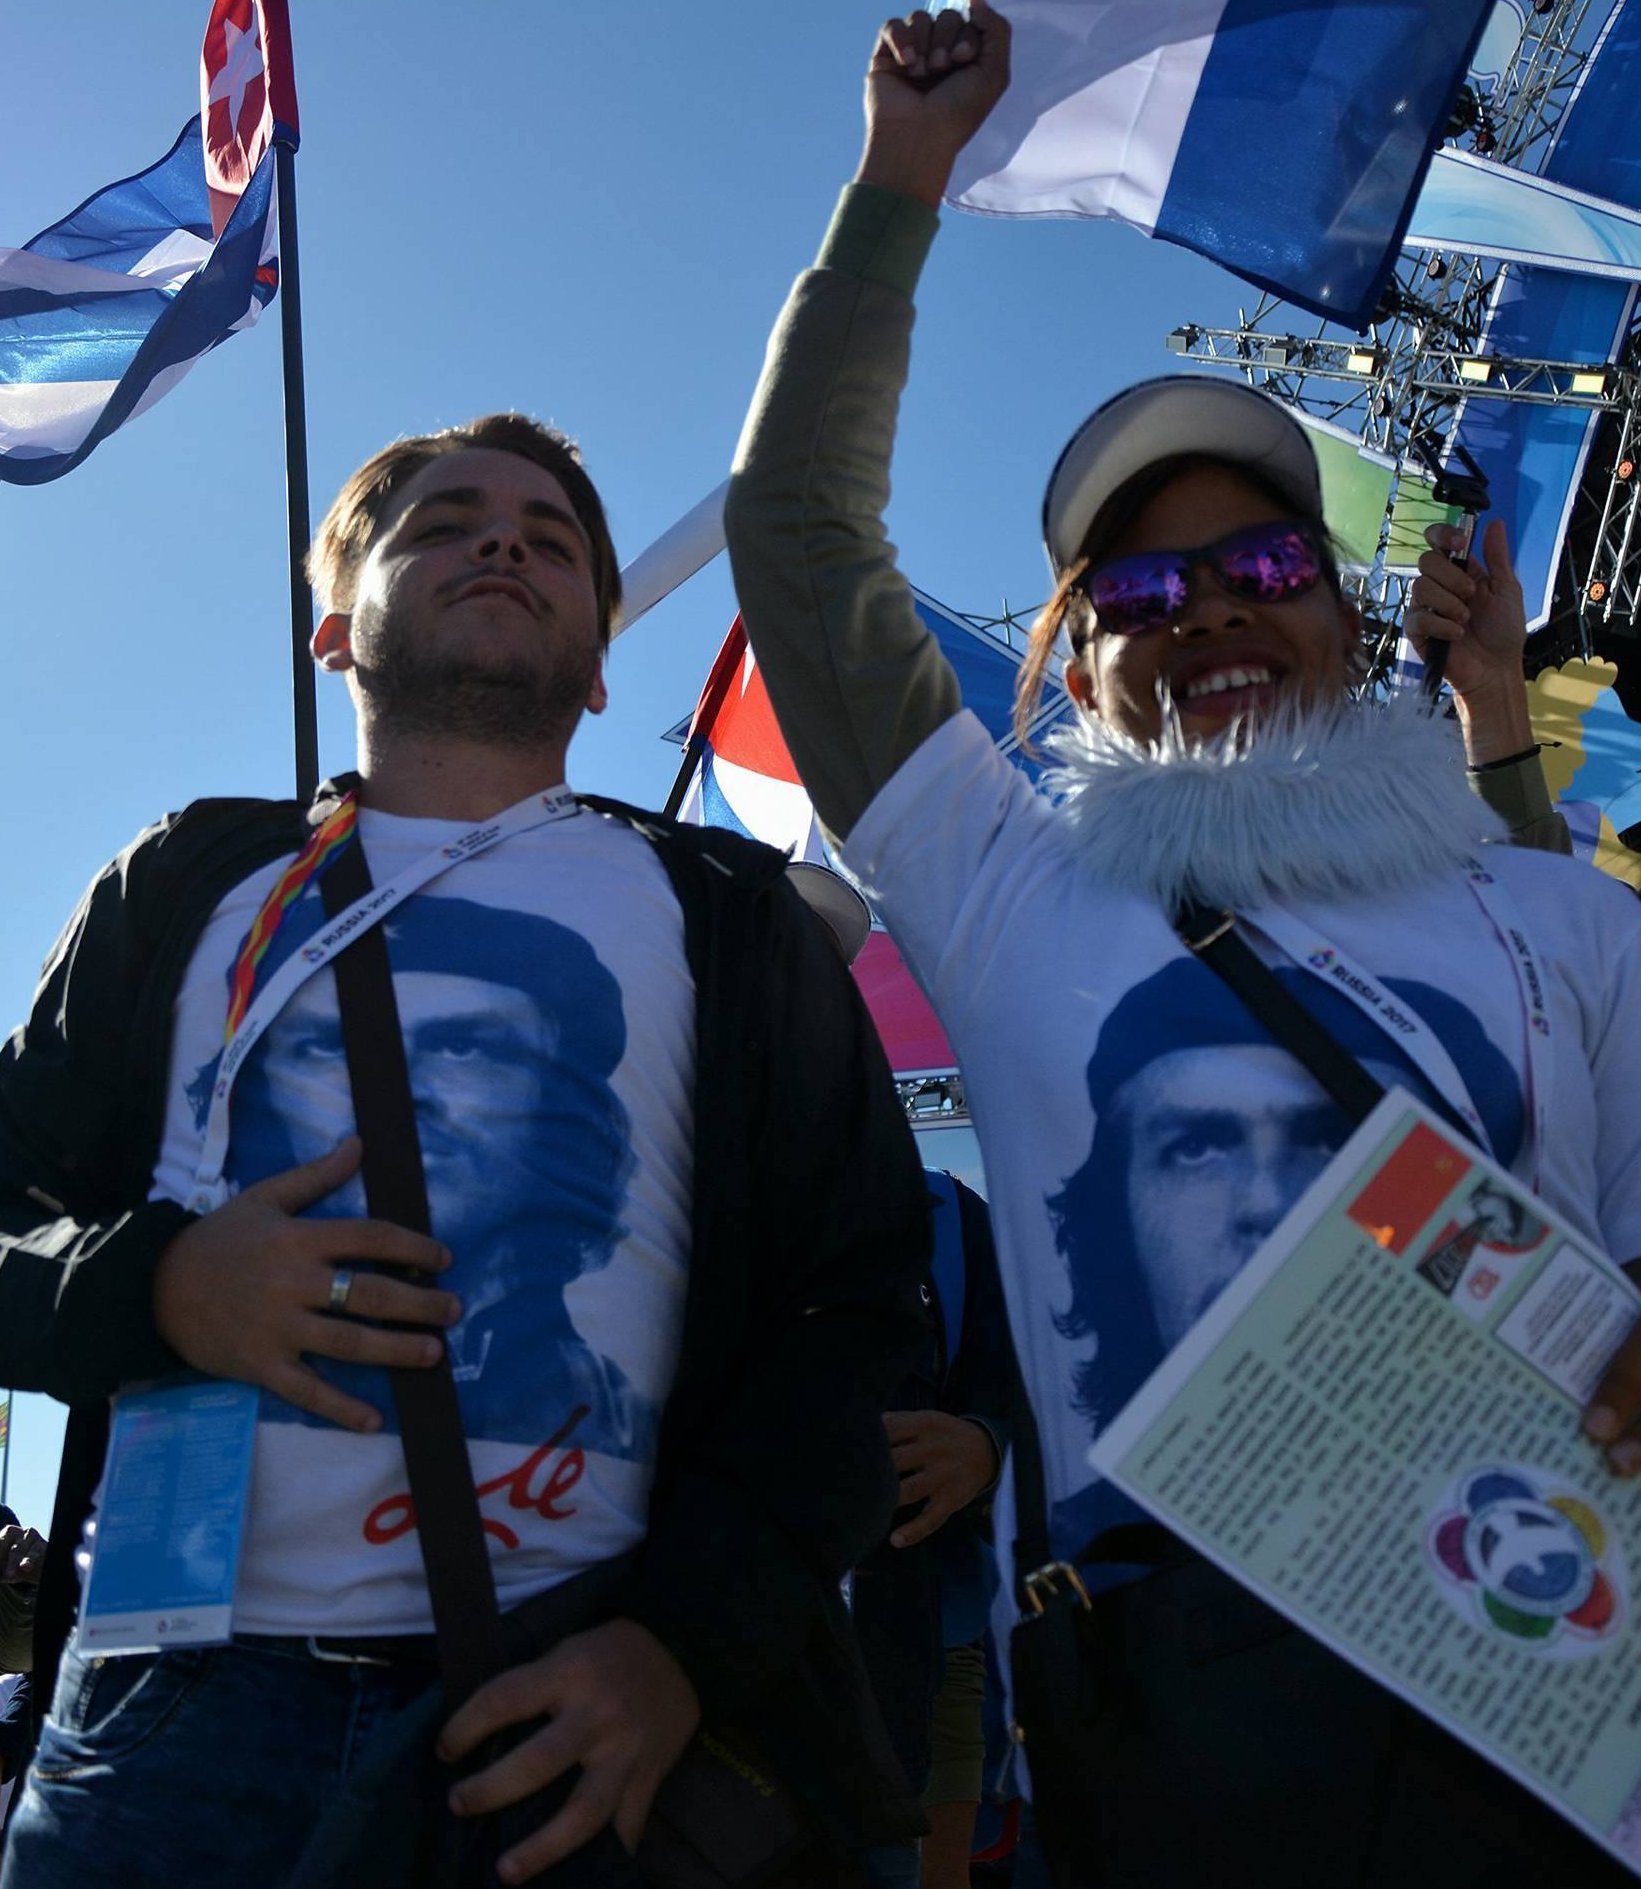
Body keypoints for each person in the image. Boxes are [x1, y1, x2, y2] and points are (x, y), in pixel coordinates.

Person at [722, 7, 1641, 1883]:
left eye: (1266, 564)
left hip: (1551, 1674)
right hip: (1182, 1708)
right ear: (1079, 654)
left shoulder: (1543, 904)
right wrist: (901, 180)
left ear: (1338, 603)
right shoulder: (1010, 887)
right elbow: (798, 537)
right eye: (1137, 584)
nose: (1209, 603)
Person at [0, 412, 931, 1888]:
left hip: (568, 1714)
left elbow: (858, 1313)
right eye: (443, 522)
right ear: (332, 629)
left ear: (602, 657)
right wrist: (157, 1288)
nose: (504, 539)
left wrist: (680, 1644)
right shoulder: (185, 879)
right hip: (161, 1725)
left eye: (552, 537)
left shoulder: (733, 916)